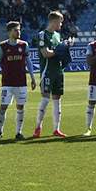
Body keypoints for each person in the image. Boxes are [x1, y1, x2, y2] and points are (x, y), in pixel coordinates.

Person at [0, 20, 35, 140]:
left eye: (19, 30)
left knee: (20, 107)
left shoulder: (24, 45)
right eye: (16, 30)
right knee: (3, 107)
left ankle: (18, 132)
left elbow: (28, 62)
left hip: (21, 82)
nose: (18, 32)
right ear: (9, 32)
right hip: (7, 83)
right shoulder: (2, 46)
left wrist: (32, 77)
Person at [32, 10, 67, 139]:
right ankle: (38, 127)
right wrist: (60, 49)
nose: (61, 24)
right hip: (47, 72)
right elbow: (46, 53)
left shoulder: (57, 35)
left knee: (57, 100)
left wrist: (65, 48)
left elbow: (58, 52)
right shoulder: (42, 35)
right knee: (46, 99)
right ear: (53, 21)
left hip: (58, 71)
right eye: (60, 22)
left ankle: (56, 129)